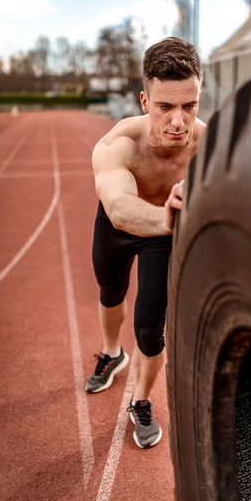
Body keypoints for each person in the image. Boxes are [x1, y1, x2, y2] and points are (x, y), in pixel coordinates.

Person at [85, 37, 206, 449]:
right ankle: (112, 352)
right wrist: (167, 216)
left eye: (188, 106)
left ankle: (140, 400)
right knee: (110, 292)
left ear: (199, 98)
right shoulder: (118, 145)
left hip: (164, 235)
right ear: (143, 101)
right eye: (165, 107)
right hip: (123, 225)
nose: (178, 122)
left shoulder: (211, 147)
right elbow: (118, 206)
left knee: (152, 329)